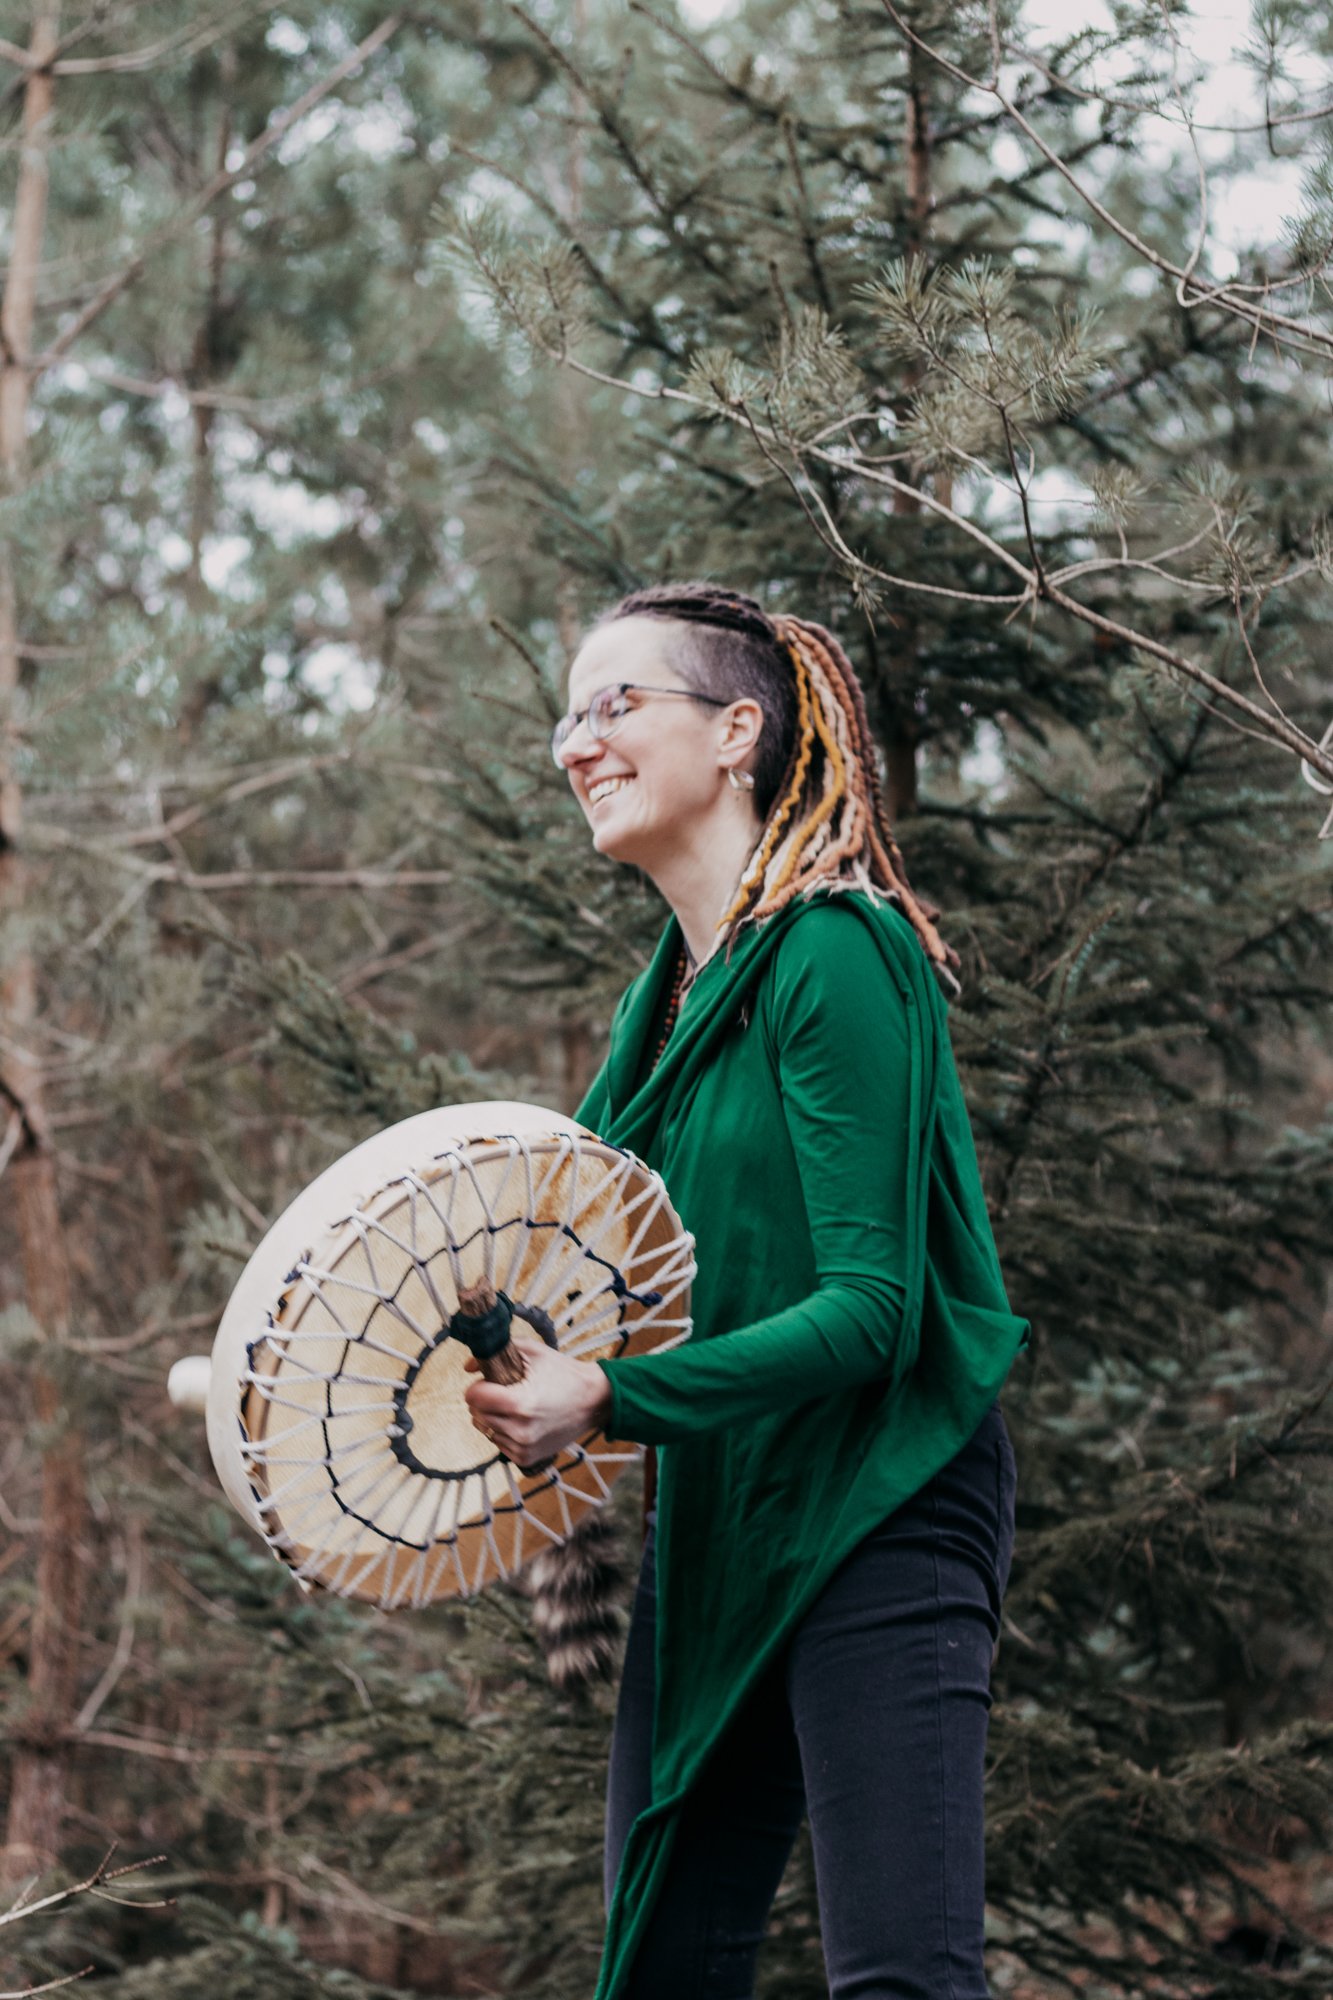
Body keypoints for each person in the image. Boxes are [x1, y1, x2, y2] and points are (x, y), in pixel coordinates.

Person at [463, 583, 1028, 2000]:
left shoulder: (837, 951)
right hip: (720, 1517)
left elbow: (873, 1311)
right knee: (657, 1968)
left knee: (899, 1976)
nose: (573, 745)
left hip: (880, 1500)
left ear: (735, 731)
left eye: (614, 705)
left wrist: (607, 1396)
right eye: (565, 717)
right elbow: (568, 1277)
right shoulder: (658, 1010)